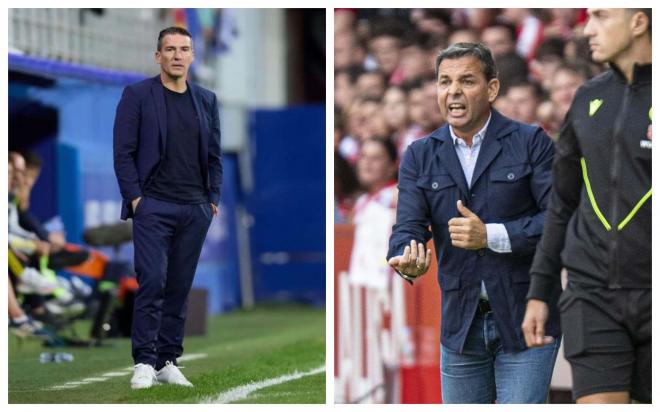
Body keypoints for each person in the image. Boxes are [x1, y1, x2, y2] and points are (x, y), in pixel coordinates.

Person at [387, 43, 559, 403]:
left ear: (492, 89)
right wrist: (406, 256)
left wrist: (492, 235)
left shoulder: (532, 143)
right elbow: (408, 226)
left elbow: (559, 221)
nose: (453, 92)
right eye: (444, 82)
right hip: (460, 324)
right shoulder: (419, 154)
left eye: (466, 81)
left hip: (526, 318)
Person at [522, 8, 651, 404]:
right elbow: (562, 201)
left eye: (600, 16)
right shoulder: (588, 97)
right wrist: (540, 289)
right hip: (590, 293)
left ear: (639, 22)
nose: (587, 29)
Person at [113, 26, 222, 389]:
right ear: (158, 56)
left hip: (195, 207)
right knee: (152, 281)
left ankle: (167, 359)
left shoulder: (206, 100)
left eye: (184, 49)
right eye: (170, 49)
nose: (177, 55)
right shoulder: (138, 95)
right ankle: (143, 360)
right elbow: (124, 152)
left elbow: (214, 155)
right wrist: (136, 198)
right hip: (153, 206)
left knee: (178, 286)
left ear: (192, 56)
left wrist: (213, 199)